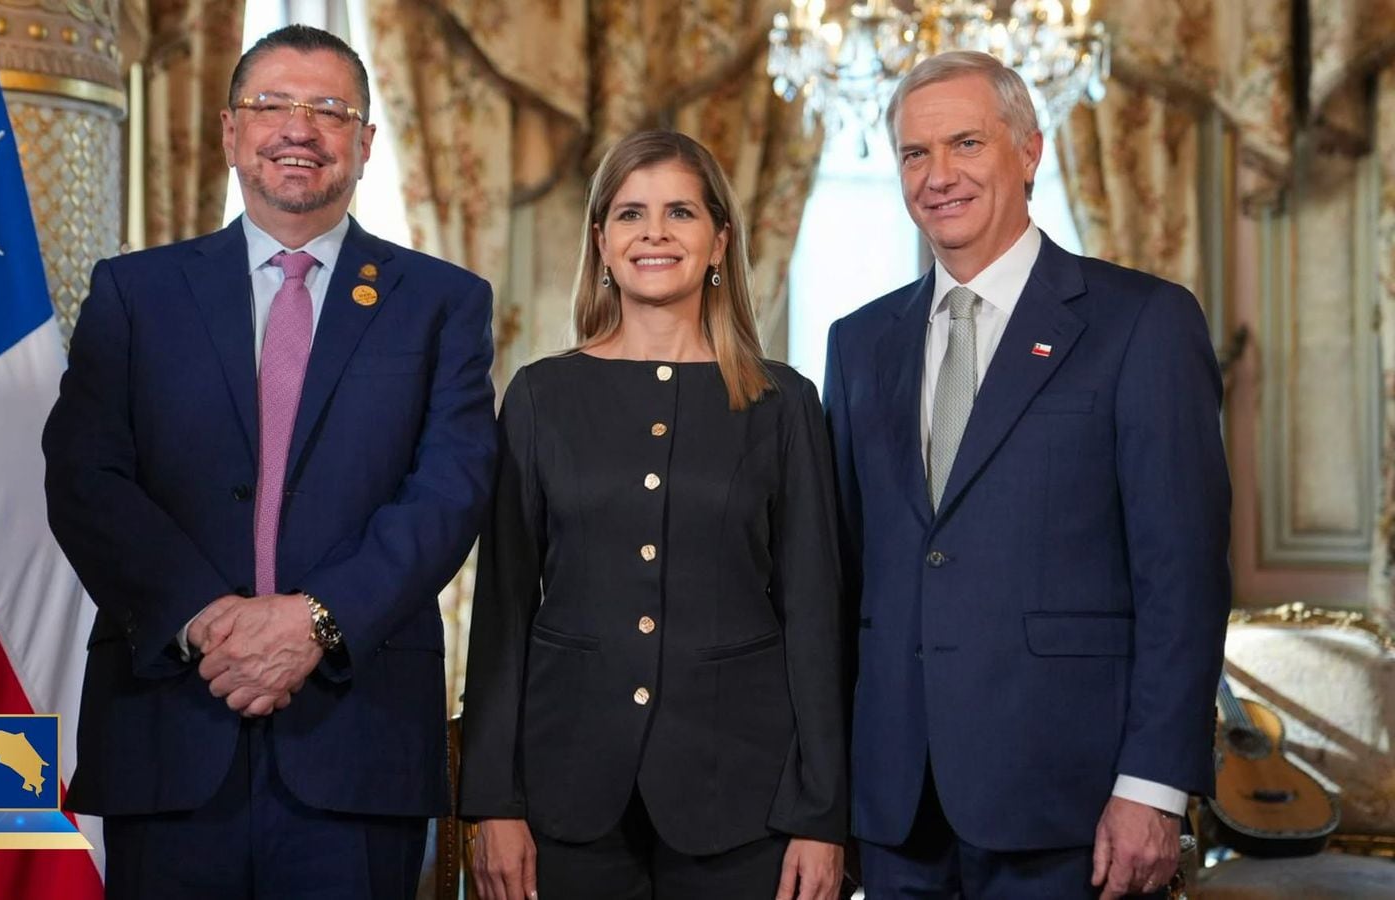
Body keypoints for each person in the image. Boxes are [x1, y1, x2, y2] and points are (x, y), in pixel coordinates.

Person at [42, 25, 496, 899]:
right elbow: (85, 477)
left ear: (365, 145)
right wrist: (208, 620)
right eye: (272, 105)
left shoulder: (442, 303)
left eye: (330, 110)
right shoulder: (135, 292)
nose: (300, 127)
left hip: (354, 735)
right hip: (171, 722)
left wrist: (312, 623)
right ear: (228, 132)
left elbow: (450, 490)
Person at [823, 51, 1231, 899]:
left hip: (1074, 808)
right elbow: (844, 579)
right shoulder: (858, 344)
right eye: (914, 154)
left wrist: (1153, 787)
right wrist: (829, 800)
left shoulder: (1142, 324)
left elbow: (1181, 576)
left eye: (966, 143)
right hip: (896, 808)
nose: (939, 176)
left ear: (1029, 151)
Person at [458, 130, 848, 900]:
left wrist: (823, 815)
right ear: (601, 242)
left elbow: (814, 618)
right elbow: (502, 612)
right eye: (631, 214)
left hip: (744, 796)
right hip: (565, 792)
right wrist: (492, 802)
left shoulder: (784, 403)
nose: (655, 233)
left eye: (680, 212)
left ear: (719, 241)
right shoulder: (541, 396)